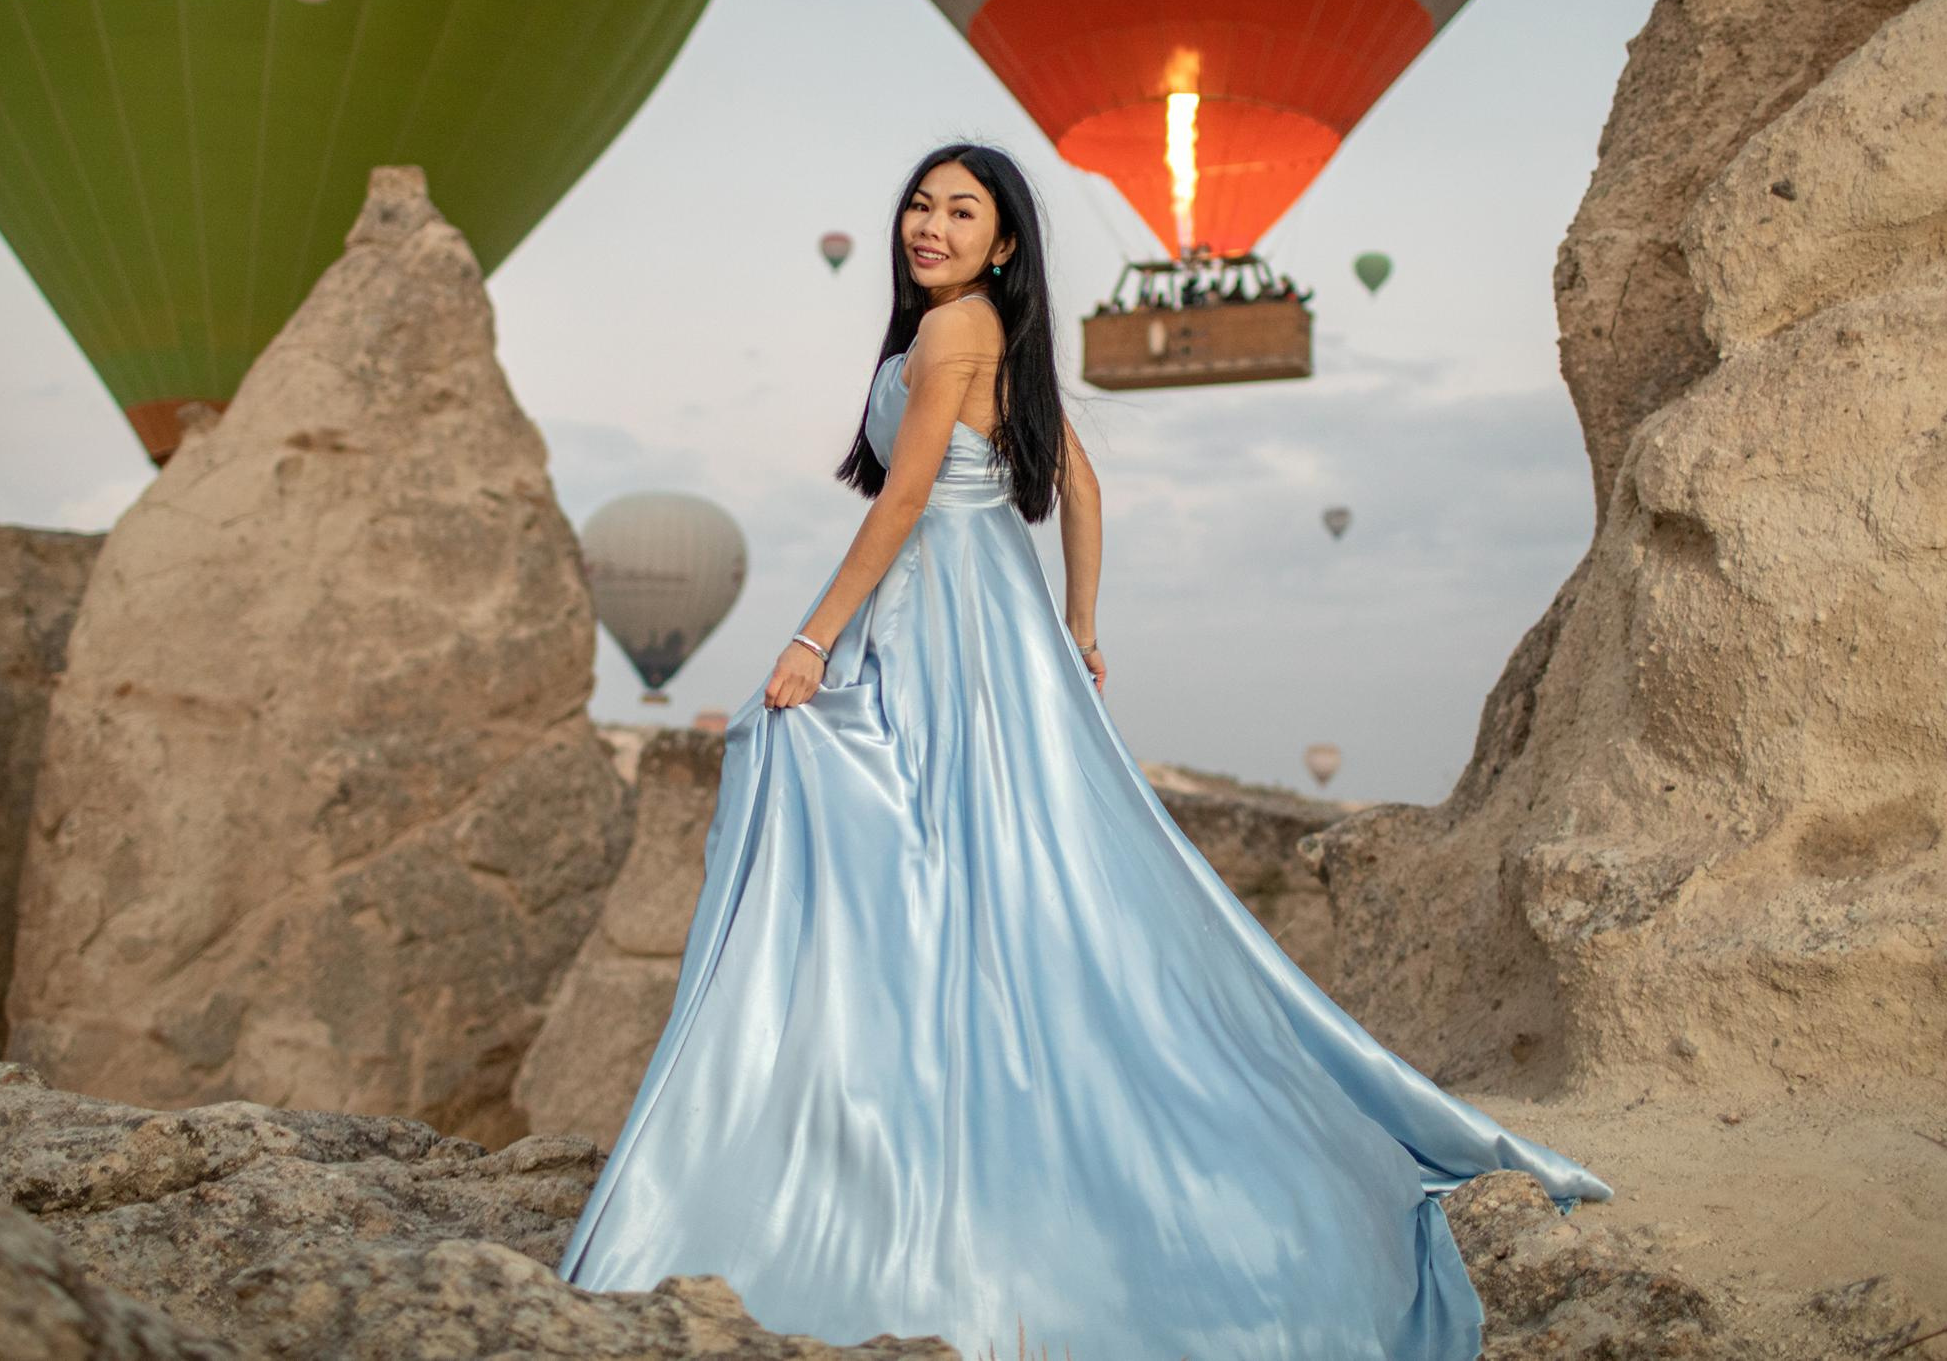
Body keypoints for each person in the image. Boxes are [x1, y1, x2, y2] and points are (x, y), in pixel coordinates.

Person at [555, 142, 1611, 1358]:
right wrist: (1077, 624)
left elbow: (901, 504)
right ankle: (912, 1101)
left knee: (885, 817)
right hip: (978, 608)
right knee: (988, 859)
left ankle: (866, 1118)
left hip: (944, 605)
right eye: (919, 203)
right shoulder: (958, 335)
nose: (929, 224)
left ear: (1004, 245)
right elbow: (1084, 485)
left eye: (962, 211)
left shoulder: (955, 334)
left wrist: (809, 638)